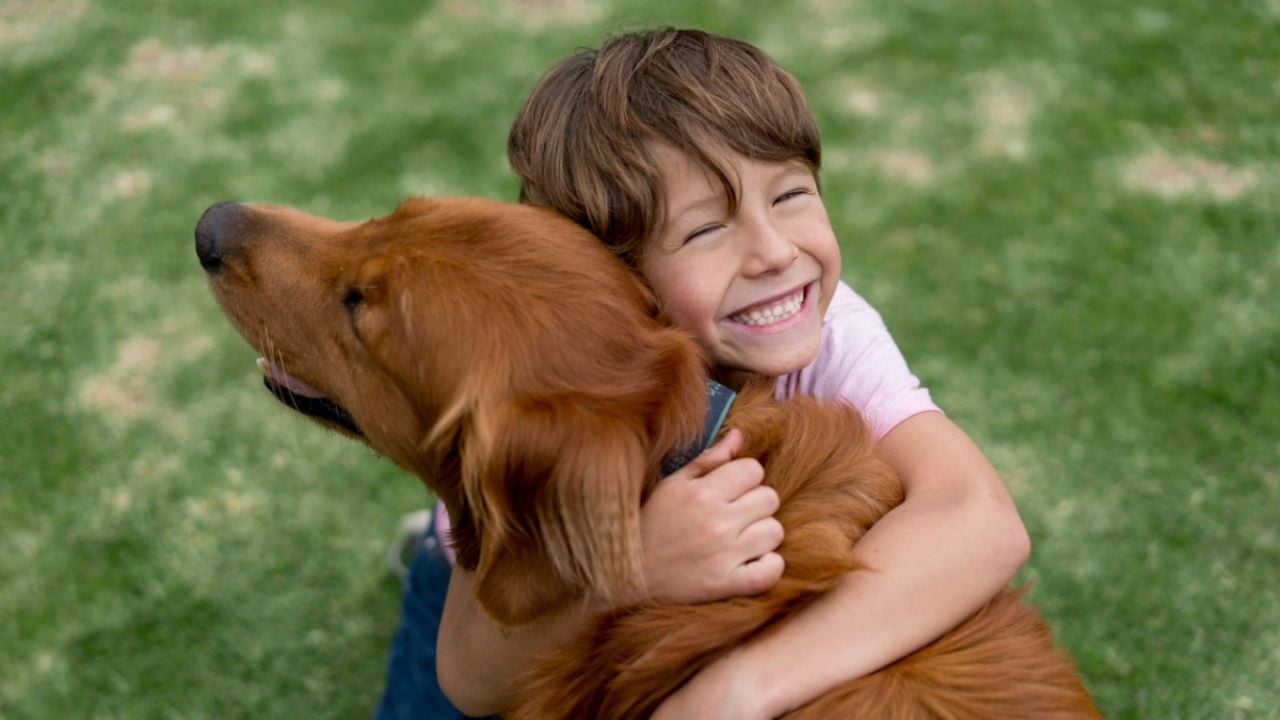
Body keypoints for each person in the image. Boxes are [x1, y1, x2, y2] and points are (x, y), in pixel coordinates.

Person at [376, 27, 1029, 720]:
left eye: (790, 196)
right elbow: (472, 681)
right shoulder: (540, 391)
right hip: (531, 584)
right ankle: (435, 548)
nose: (775, 253)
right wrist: (632, 572)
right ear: (618, 283)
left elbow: (980, 519)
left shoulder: (832, 329)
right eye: (704, 231)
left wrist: (739, 690)